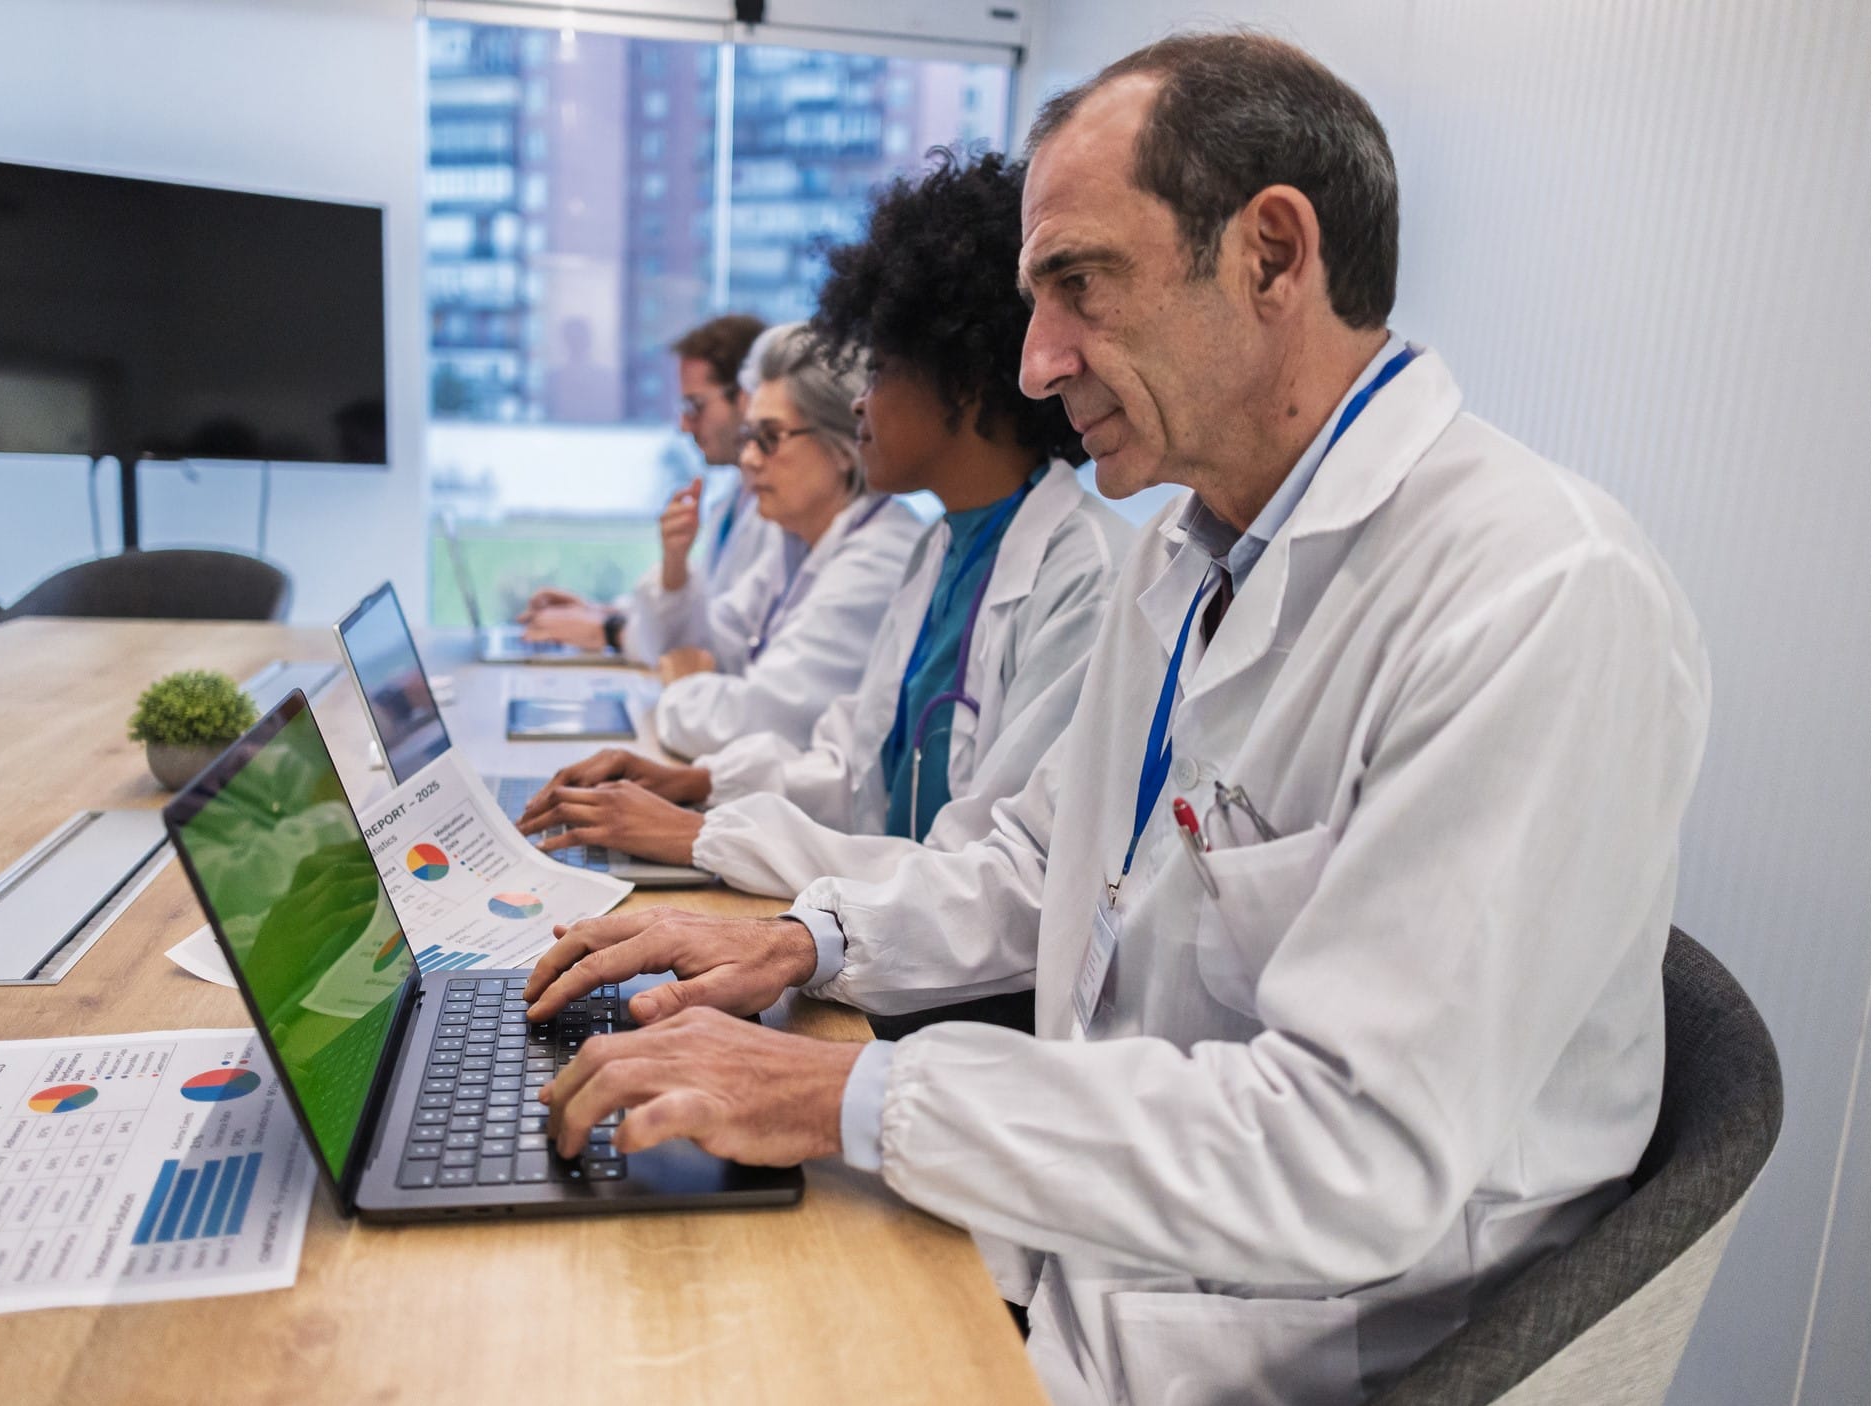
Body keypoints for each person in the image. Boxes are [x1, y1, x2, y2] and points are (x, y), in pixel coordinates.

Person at [519, 32, 1710, 1406]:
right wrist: (807, 933)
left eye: (1075, 284)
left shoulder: (1537, 595)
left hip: (1300, 1346)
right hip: (1105, 1247)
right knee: (631, 1279)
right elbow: (1046, 865)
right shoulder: (1191, 550)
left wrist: (837, 1097)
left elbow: (1348, 1150)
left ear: (1271, 255)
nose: (1033, 364)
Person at [513, 152, 1132, 927]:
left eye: (878, 371)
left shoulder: (1086, 576)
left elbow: (989, 877)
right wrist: (699, 784)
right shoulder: (940, 548)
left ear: (963, 381)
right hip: (882, 935)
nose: (860, 406)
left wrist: (705, 834)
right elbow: (850, 771)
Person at [643, 323, 923, 759]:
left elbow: (753, 723)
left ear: (840, 448)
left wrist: (682, 687)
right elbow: (710, 644)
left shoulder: (878, 560)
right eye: (749, 438)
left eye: (769, 439)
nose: (749, 459)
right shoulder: (794, 544)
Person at [516, 314, 774, 660]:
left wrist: (607, 631)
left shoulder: (777, 514)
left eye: (695, 406)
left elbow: (715, 642)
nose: (685, 425)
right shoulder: (733, 501)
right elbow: (704, 607)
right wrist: (604, 612)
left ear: (746, 399)